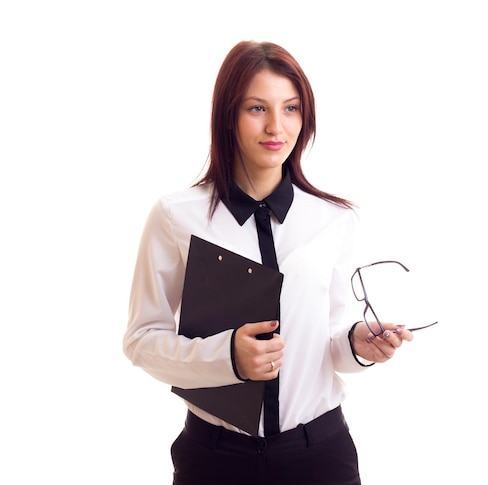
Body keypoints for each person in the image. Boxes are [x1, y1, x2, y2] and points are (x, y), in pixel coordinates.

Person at [123, 40, 414, 485]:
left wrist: (359, 344)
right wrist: (228, 357)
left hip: (319, 455)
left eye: (291, 108)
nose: (276, 126)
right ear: (228, 116)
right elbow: (141, 340)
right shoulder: (176, 217)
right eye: (257, 108)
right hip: (215, 458)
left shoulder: (332, 220)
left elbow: (331, 342)